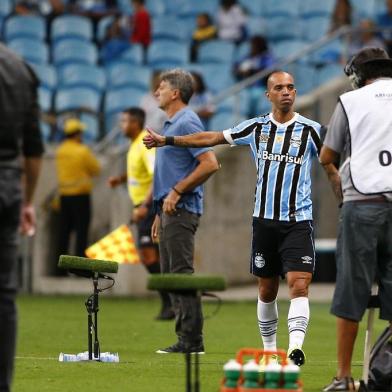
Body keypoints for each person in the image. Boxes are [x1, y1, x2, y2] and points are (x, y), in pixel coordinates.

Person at [144, 70, 324, 365]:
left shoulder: (312, 130)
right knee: (266, 289)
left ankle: (295, 347)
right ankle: (268, 350)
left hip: (298, 220)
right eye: (279, 87)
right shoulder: (255, 128)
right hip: (264, 221)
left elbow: (332, 161)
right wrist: (168, 141)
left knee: (299, 284)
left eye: (291, 87)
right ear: (268, 95)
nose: (287, 92)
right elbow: (212, 137)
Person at [320, 47, 392, 391]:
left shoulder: (351, 100)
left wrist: (338, 186)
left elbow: (327, 155)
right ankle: (383, 370)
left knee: (351, 293)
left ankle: (344, 377)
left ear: (358, 75)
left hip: (362, 203)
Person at [148, 69, 220, 354]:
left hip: (182, 209)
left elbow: (210, 163)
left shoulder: (187, 122)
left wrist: (177, 191)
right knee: (170, 276)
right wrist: (158, 212)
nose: (157, 92)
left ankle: (191, 340)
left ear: (175, 93)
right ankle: (186, 338)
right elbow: (171, 171)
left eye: (161, 87)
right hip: (169, 210)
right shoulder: (172, 124)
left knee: (180, 273)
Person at [0, 43, 43, 392]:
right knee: (4, 294)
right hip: (6, 188)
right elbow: (33, 149)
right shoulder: (19, 68)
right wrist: (27, 201)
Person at [107, 107, 174, 320]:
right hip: (143, 205)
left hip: (150, 206)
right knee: (150, 256)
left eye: (124, 121)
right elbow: (141, 172)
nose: (121, 126)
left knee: (150, 255)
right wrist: (122, 178)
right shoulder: (134, 145)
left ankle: (171, 300)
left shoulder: (145, 143)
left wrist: (144, 206)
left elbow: (157, 175)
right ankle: (170, 301)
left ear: (136, 123)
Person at [55, 118, 101, 272]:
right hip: (80, 196)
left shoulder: (60, 150)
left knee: (63, 233)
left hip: (64, 196)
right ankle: (79, 267)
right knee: (81, 232)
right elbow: (95, 169)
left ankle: (60, 269)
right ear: (76, 134)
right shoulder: (82, 151)